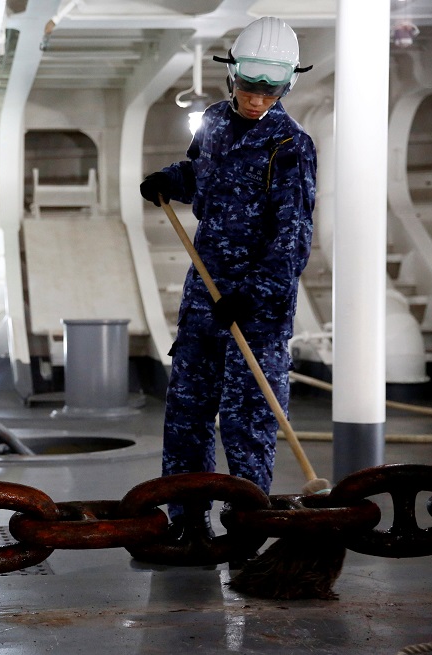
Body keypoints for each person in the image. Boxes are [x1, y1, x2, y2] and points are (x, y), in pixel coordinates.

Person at [139, 16, 317, 543]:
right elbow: (202, 175)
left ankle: (245, 527)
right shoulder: (214, 122)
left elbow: (292, 238)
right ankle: (184, 522)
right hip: (205, 297)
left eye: (270, 89)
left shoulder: (291, 147)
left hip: (253, 311)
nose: (257, 99)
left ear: (288, 86)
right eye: (248, 86)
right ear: (231, 75)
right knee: (188, 413)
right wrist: (171, 179)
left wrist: (252, 295)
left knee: (249, 420)